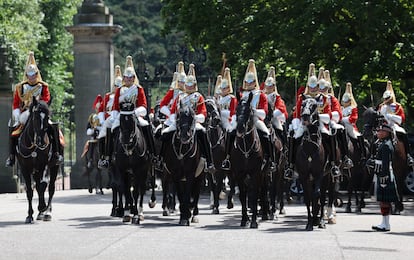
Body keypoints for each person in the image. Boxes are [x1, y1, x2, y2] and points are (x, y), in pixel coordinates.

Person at [6, 51, 63, 167]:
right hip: (25, 112)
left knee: (53, 127)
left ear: (37, 74)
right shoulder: (20, 87)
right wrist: (16, 113)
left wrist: (39, 106)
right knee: (13, 130)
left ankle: (57, 153)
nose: (31, 77)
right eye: (29, 75)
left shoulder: (43, 86)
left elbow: (46, 99)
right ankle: (11, 156)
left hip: (39, 111)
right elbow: (16, 103)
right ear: (26, 75)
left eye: (33, 75)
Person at [165, 63, 215, 174]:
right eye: (187, 84)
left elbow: (203, 112)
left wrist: (196, 118)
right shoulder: (180, 96)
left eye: (191, 85)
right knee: (165, 133)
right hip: (180, 123)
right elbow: (173, 111)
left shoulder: (198, 96)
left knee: (202, 133)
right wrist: (176, 119)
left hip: (193, 122)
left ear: (194, 85)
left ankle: (209, 161)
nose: (188, 87)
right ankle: (161, 158)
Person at [284, 63, 331, 180]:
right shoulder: (303, 97)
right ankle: (290, 165)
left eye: (315, 87)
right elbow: (297, 112)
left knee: (329, 136)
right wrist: (302, 120)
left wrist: (318, 117)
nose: (313, 89)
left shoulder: (324, 98)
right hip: (304, 123)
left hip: (318, 123)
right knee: (294, 138)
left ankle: (333, 163)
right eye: (311, 87)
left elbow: (329, 113)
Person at [110, 56, 155, 162]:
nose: (128, 79)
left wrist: (135, 112)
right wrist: (115, 116)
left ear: (134, 78)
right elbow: (115, 106)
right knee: (110, 128)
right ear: (124, 78)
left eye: (131, 78)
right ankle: (108, 156)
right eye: (126, 77)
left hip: (135, 114)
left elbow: (143, 105)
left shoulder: (138, 89)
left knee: (146, 126)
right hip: (121, 115)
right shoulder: (119, 90)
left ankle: (152, 154)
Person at [238, 59, 274, 171]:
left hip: (255, 119)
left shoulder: (261, 95)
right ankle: (228, 158)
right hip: (243, 119)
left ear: (255, 82)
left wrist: (253, 111)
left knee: (266, 134)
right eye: (247, 82)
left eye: (251, 82)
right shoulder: (241, 94)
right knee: (230, 132)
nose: (249, 84)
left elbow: (264, 112)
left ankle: (270, 159)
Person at [319, 69, 353, 171]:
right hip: (316, 121)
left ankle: (341, 158)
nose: (322, 90)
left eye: (324, 88)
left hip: (330, 121)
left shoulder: (332, 99)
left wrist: (328, 116)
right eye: (320, 87)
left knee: (337, 131)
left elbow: (338, 113)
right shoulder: (314, 98)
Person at [377, 80, 414, 167]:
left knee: (403, 133)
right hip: (384, 125)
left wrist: (390, 116)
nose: (386, 100)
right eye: (385, 98)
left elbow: (401, 118)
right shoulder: (381, 106)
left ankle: (408, 155)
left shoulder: (397, 106)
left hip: (394, 124)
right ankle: (371, 156)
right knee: (375, 136)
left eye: (387, 98)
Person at [371, 124, 399, 231]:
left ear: (386, 133)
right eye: (378, 131)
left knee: (384, 201)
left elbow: (386, 163)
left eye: (381, 131)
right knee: (383, 200)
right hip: (381, 173)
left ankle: (386, 224)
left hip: (384, 174)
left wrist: (384, 176)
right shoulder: (383, 143)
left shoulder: (386, 145)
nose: (378, 133)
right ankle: (384, 223)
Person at [97, 65, 123, 168]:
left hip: (122, 117)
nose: (117, 88)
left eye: (119, 86)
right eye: (116, 86)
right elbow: (101, 109)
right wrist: (102, 120)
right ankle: (103, 157)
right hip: (110, 120)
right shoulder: (108, 96)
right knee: (102, 134)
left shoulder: (125, 94)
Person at [217, 68, 238, 170]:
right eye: (222, 88)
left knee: (229, 133)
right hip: (218, 120)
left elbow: (233, 112)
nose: (223, 90)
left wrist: (222, 113)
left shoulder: (232, 98)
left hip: (228, 120)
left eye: (225, 88)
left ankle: (228, 156)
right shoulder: (219, 99)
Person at [340, 82, 366, 161]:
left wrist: (343, 119)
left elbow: (353, 118)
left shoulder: (353, 108)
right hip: (341, 124)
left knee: (357, 136)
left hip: (350, 126)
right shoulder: (341, 108)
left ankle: (363, 154)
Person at [263, 66, 288, 144]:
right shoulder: (261, 95)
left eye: (271, 86)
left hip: (273, 117)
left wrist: (272, 114)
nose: (269, 87)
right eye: (267, 85)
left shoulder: (276, 96)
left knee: (280, 128)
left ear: (274, 86)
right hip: (262, 117)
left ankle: (284, 146)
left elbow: (281, 108)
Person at [84, 95, 103, 168]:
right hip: (94, 135)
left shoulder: (103, 116)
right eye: (96, 108)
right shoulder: (92, 117)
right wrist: (93, 130)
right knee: (91, 142)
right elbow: (88, 130)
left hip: (102, 135)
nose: (97, 110)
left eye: (99, 108)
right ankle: (90, 159)